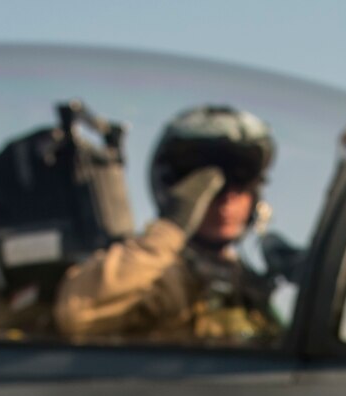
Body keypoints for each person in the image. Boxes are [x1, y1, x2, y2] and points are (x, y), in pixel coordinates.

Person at [53, 105, 280, 343]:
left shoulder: (247, 285)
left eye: (241, 182)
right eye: (213, 186)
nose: (228, 199)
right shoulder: (160, 275)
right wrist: (172, 225)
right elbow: (79, 313)